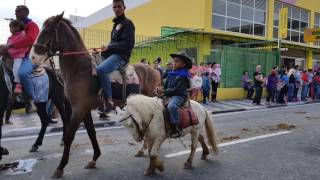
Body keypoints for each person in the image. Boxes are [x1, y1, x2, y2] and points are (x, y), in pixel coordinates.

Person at [97, 0, 135, 110]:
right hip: (112, 55)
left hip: (121, 57)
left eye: (119, 6)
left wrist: (109, 47)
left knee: (101, 70)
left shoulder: (128, 23)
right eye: (115, 7)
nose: (117, 9)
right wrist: (103, 50)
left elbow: (128, 44)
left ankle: (109, 101)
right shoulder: (116, 25)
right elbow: (113, 43)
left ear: (124, 7)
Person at [0, 5, 39, 101]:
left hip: (28, 56)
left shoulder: (31, 25)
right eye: (15, 11)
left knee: (22, 73)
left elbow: (30, 39)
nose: (15, 13)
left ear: (25, 13)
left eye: (18, 11)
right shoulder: (19, 26)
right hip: (17, 54)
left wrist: (10, 46)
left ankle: (32, 99)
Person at [155, 52, 192, 138]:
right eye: (173, 61)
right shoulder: (171, 73)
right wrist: (159, 90)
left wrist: (163, 91)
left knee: (172, 106)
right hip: (169, 94)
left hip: (179, 96)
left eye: (176, 61)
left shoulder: (183, 75)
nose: (174, 63)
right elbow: (166, 86)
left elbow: (177, 90)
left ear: (183, 64)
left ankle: (176, 127)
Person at [6, 20, 29, 94]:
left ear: (18, 27)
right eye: (10, 27)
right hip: (10, 55)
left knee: (17, 67)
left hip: (19, 55)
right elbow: (7, 46)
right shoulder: (10, 37)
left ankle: (18, 83)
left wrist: (9, 51)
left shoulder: (22, 35)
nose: (10, 29)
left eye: (12, 27)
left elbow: (21, 47)